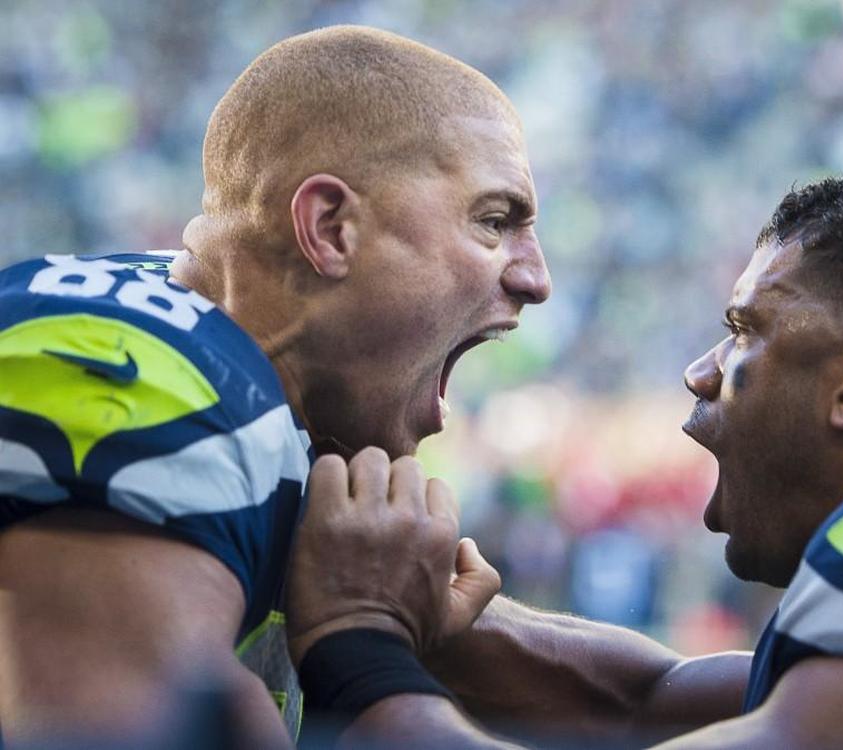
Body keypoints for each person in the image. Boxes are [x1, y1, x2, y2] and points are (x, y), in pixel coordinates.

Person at [285, 172, 843, 749]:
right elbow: (639, 702)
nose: (699, 372)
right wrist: (426, 612)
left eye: (743, 331)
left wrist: (358, 642)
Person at [0, 25, 549, 745]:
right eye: (494, 221)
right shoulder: (132, 372)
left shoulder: (266, 394)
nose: (534, 278)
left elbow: (637, 696)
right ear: (330, 228)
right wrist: (361, 654)